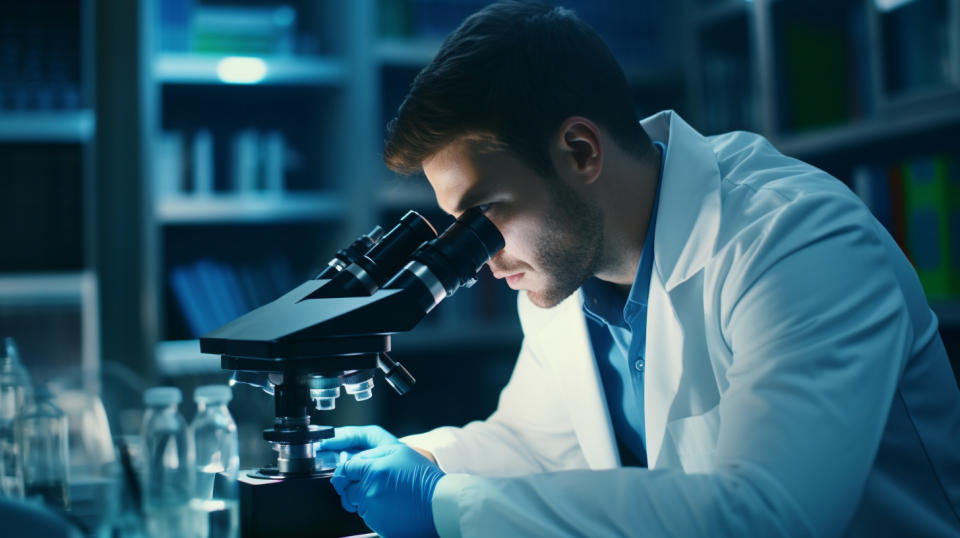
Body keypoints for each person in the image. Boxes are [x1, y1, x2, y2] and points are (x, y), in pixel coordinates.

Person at [323, 2, 960, 536]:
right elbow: (538, 445)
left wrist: (443, 503)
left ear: (580, 151)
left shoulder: (796, 238)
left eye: (485, 213)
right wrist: (422, 457)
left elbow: (769, 516)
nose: (482, 255)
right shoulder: (562, 272)